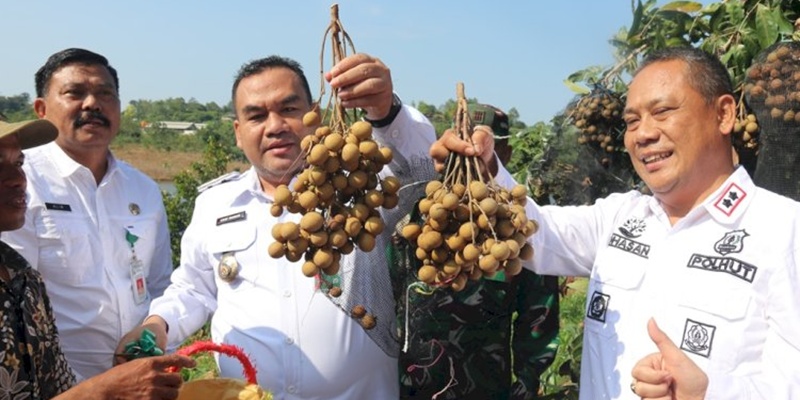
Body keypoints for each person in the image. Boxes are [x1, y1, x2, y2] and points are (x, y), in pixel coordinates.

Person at [430, 46, 800, 399]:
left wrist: (710, 394)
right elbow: (532, 233)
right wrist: (485, 168)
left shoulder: (785, 231)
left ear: (723, 114)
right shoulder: (621, 217)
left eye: (663, 111)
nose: (643, 134)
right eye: (631, 121)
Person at [117, 53, 438, 399]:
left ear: (314, 114)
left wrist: (386, 111)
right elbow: (194, 289)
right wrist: (157, 325)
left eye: (288, 109)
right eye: (256, 116)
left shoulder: (362, 187)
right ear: (238, 133)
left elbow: (421, 168)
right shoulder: (214, 203)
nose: (275, 126)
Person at [0, 48, 173, 380]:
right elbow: (16, 306)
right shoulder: (18, 184)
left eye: (105, 93)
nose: (92, 103)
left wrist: (155, 344)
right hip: (57, 386)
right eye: (75, 93)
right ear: (41, 109)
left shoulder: (144, 190)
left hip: (143, 381)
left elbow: (161, 285)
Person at [0, 119, 195, 399]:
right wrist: (107, 389)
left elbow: (56, 382)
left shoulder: (24, 278)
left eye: (19, 163)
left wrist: (124, 381)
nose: (18, 179)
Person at [393, 103, 560, 399]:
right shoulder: (421, 218)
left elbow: (538, 322)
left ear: (502, 154)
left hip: (486, 389)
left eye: (488, 149)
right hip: (412, 388)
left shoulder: (519, 230)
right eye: (461, 147)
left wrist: (526, 388)